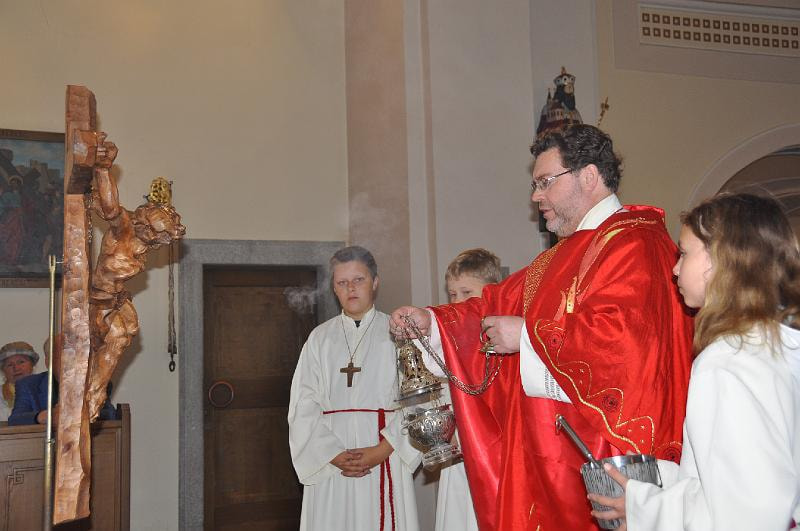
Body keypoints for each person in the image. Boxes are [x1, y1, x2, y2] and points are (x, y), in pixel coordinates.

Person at [390, 124, 694, 530]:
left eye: (545, 182)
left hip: (606, 462)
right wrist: (431, 322)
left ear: (589, 176)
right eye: (535, 185)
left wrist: (527, 337)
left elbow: (626, 344)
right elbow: (495, 303)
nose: (536, 197)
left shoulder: (636, 244)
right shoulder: (561, 256)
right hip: (551, 463)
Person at [590, 193, 800, 530]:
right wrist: (660, 476)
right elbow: (744, 478)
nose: (674, 269)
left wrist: (644, 509)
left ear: (718, 260)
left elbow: (751, 513)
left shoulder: (728, 361)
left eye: (684, 253)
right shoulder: (779, 343)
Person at [288, 246, 420, 531]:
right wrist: (333, 454)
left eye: (358, 280)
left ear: (375, 282)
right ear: (334, 288)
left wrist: (384, 449)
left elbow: (417, 400)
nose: (351, 288)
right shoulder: (319, 339)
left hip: (385, 452)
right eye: (342, 282)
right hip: (331, 457)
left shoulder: (399, 333)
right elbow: (303, 405)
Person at [436, 249, 502, 531]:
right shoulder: (448, 338)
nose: (457, 303)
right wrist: (445, 431)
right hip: (458, 452)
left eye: (467, 293)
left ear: (492, 292)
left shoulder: (504, 338)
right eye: (452, 294)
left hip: (494, 452)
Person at [8, 335, 115, 426]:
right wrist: (44, 417)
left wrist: (79, 414)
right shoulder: (28, 385)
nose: (70, 361)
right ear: (48, 362)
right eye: (64, 355)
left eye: (75, 355)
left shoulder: (94, 383)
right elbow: (15, 419)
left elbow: (110, 414)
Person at [0, 341, 38, 421]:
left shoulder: (46, 389)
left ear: (32, 365)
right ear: (3, 370)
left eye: (21, 362)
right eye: (10, 365)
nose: (16, 368)